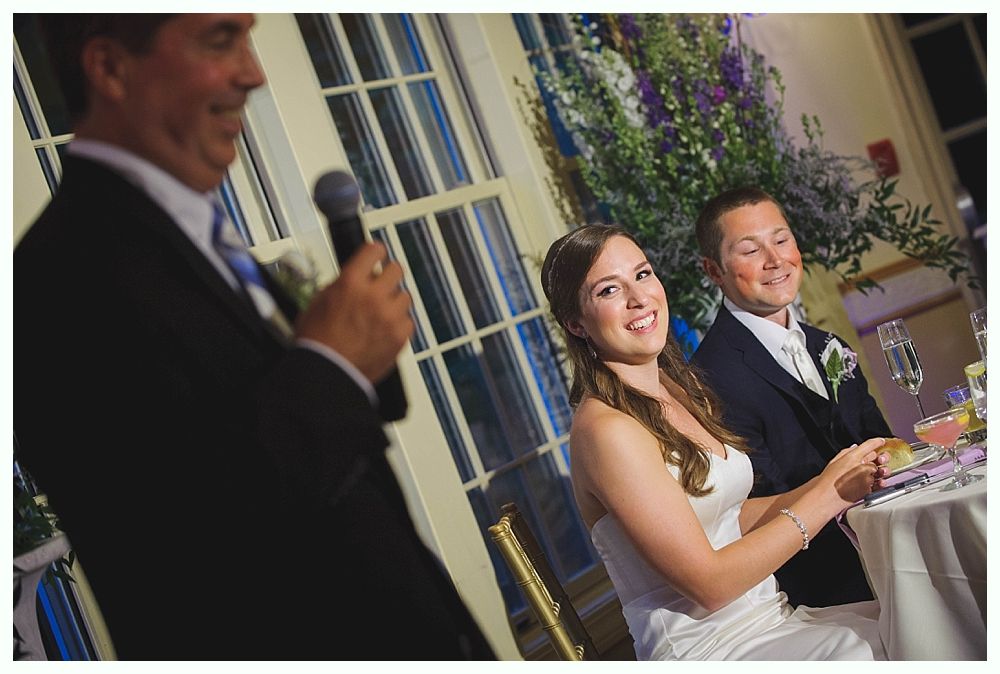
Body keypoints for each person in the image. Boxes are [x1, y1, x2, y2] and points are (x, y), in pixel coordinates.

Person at [14, 14, 494, 660]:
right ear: (110, 68)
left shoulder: (201, 233)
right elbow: (176, 541)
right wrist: (327, 363)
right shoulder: (56, 277)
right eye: (219, 40)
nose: (254, 72)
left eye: (248, 37)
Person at [541, 224, 889, 660]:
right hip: (713, 651)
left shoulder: (676, 387)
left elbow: (729, 515)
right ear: (576, 323)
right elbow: (708, 585)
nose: (638, 298)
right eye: (609, 290)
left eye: (643, 274)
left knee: (913, 615)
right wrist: (825, 496)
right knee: (902, 640)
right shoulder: (607, 431)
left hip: (770, 621)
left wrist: (843, 479)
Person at [691, 186, 894, 608]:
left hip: (892, 545)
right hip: (819, 585)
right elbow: (749, 504)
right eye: (750, 250)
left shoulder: (827, 345)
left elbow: (883, 442)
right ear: (714, 271)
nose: (775, 259)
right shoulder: (711, 376)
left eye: (781, 240)